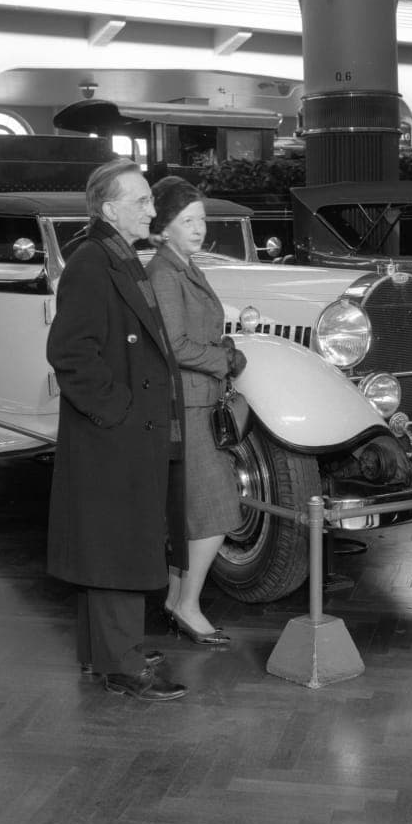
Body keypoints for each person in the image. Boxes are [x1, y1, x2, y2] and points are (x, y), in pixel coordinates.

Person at [45, 157, 189, 702]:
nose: (154, 209)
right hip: (114, 434)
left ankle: (102, 653)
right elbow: (69, 352)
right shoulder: (93, 261)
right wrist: (118, 411)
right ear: (110, 209)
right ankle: (124, 665)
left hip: (123, 432)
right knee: (118, 547)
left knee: (108, 545)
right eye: (142, 201)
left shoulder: (116, 255)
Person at [145, 177, 247, 645]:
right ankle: (187, 605)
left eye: (202, 219)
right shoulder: (166, 272)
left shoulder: (184, 266)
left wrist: (220, 347)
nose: (199, 227)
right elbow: (176, 344)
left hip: (197, 401)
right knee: (217, 510)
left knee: (193, 510)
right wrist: (224, 357)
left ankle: (175, 599)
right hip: (188, 404)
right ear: (163, 227)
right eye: (187, 220)